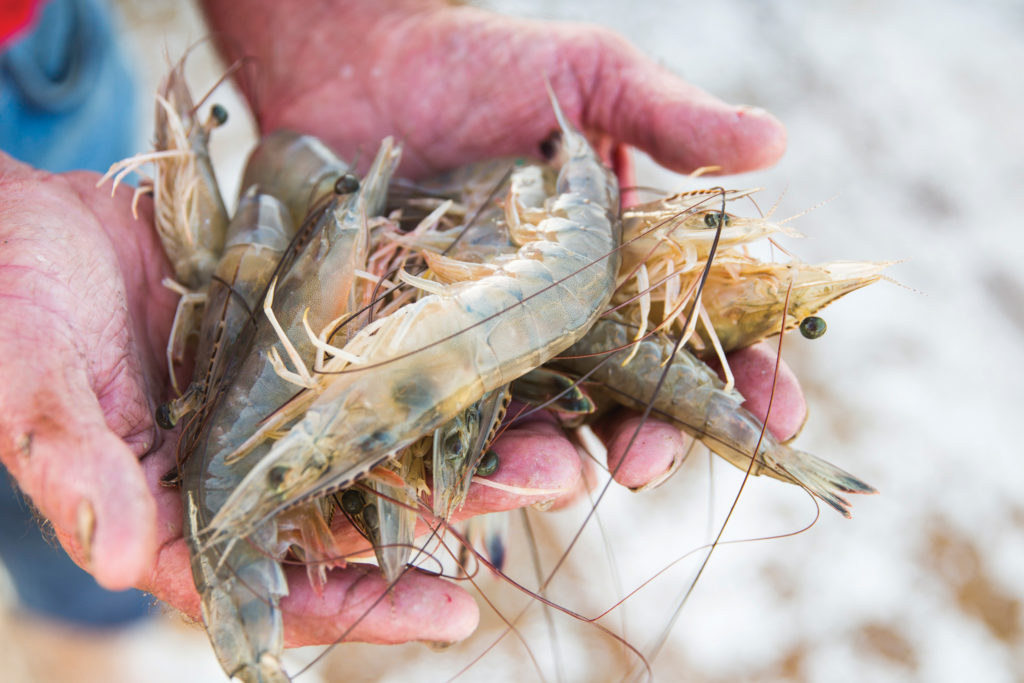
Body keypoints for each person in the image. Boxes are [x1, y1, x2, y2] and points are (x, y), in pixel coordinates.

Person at [0, 0, 794, 647]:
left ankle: (83, 635)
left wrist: (334, 21)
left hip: (36, 54)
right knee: (87, 465)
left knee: (89, 534)